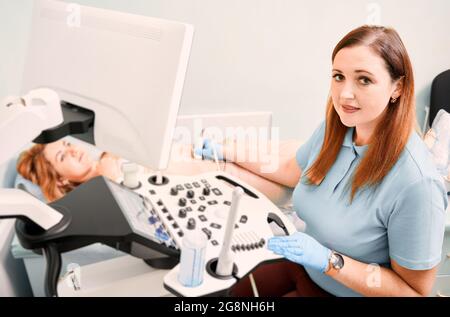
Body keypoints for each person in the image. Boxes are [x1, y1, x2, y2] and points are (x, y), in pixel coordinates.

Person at [198, 25, 448, 297]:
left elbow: (413, 292)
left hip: (342, 290)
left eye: (364, 80)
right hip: (303, 268)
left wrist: (330, 261)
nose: (344, 94)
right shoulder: (338, 129)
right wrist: (226, 151)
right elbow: (292, 169)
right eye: (338, 76)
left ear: (397, 88)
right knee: (217, 292)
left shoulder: (417, 183)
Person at [16, 139, 295, 205]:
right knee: (299, 180)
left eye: (67, 143)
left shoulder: (108, 150)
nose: (74, 149)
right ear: (61, 179)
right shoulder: (102, 189)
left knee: (303, 154)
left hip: (223, 151)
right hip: (225, 177)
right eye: (63, 155)